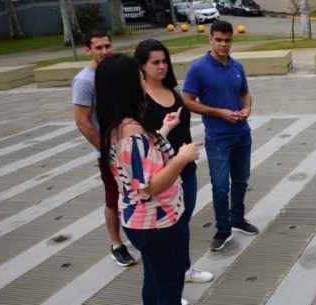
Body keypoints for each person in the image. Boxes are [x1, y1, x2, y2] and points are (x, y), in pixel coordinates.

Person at [96, 53, 198, 305]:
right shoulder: (131, 133)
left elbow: (139, 163)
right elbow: (150, 186)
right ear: (129, 85)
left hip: (140, 221)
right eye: (140, 76)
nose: (144, 81)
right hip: (156, 222)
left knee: (154, 278)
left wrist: (164, 129)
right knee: (169, 285)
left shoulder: (117, 125)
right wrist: (182, 158)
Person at [134, 39, 214, 284]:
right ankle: (170, 284)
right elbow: (144, 142)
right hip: (162, 174)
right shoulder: (139, 99)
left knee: (183, 223)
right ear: (142, 66)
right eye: (155, 62)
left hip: (185, 169)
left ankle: (184, 269)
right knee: (168, 232)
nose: (162, 66)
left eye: (164, 61)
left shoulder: (171, 90)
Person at [182, 20, 259, 252]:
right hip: (218, 138)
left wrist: (247, 110)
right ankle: (223, 229)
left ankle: (237, 218)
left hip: (242, 134)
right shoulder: (198, 68)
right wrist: (218, 113)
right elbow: (186, 100)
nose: (223, 44)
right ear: (210, 39)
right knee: (220, 186)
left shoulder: (237, 67)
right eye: (219, 40)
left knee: (241, 180)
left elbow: (245, 94)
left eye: (227, 40)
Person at [71, 30, 137, 267]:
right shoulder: (84, 81)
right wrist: (105, 149)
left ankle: (135, 233)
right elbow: (82, 121)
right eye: (98, 47)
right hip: (108, 152)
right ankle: (116, 244)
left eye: (107, 46)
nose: (105, 51)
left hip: (128, 146)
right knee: (113, 197)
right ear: (88, 50)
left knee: (133, 194)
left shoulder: (113, 74)